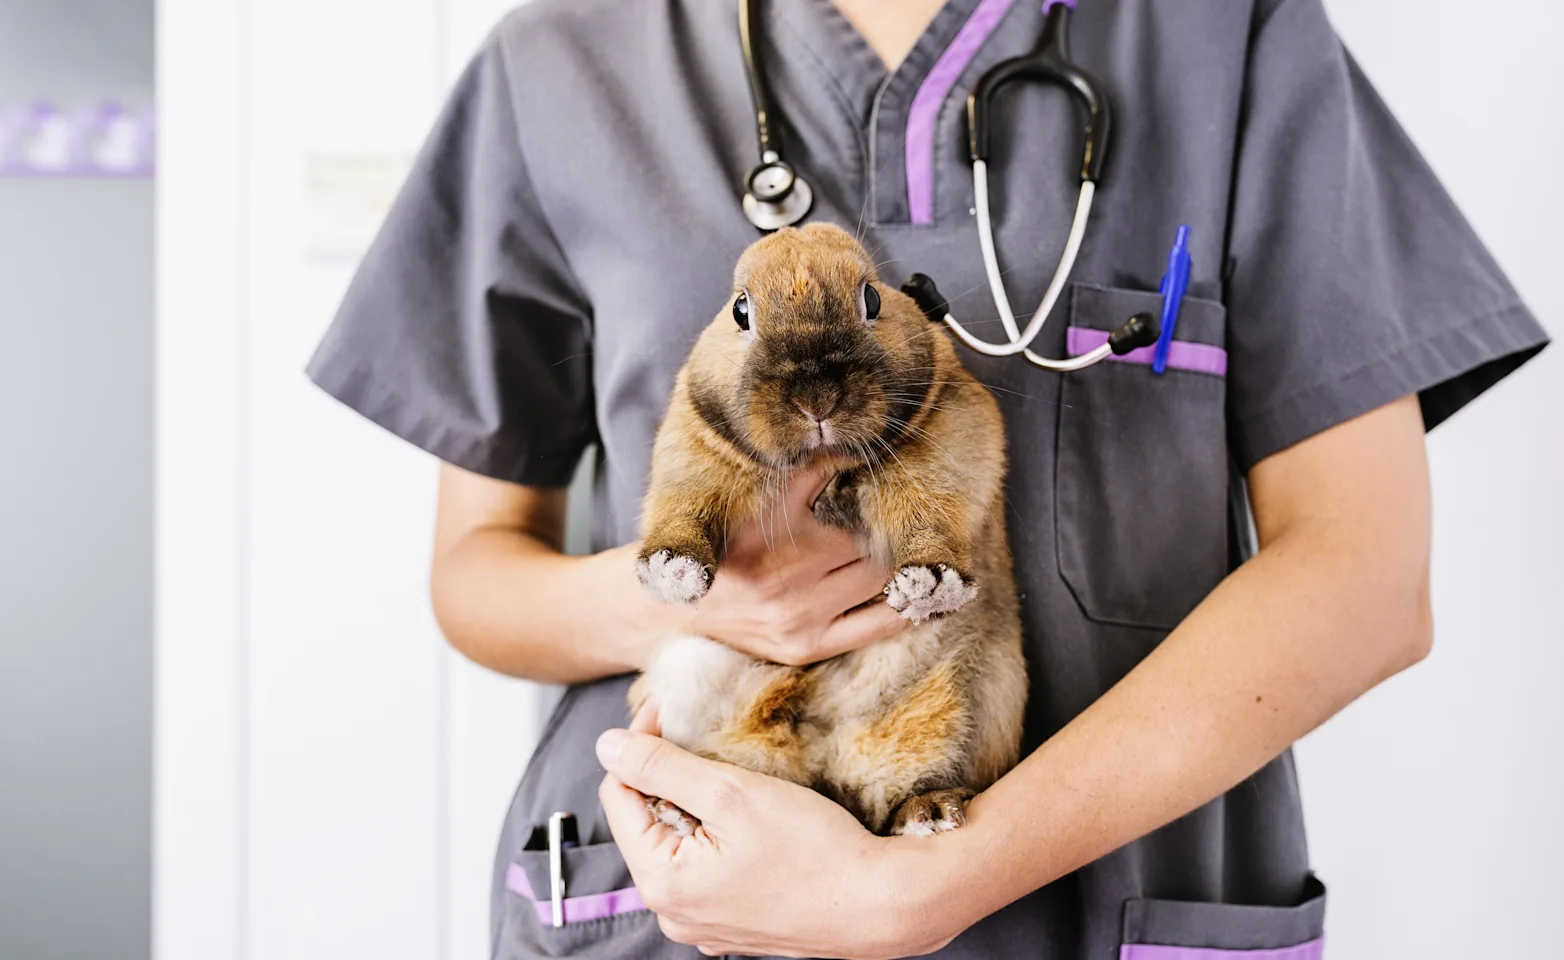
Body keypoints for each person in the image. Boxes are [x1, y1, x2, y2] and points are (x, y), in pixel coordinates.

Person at [305, 0, 1549, 956]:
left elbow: (1368, 574)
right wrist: (683, 600)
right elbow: (476, 575)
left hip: (1097, 899)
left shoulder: (1219, 31)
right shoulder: (568, 56)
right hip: (683, 899)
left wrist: (932, 881)